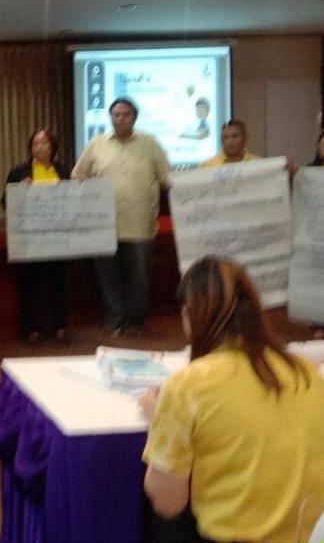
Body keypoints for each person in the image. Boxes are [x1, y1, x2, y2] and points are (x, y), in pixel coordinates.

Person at [140, 256, 324, 542]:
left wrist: (159, 422)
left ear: (188, 314)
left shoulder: (188, 386)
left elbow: (168, 503)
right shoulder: (306, 371)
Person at [72, 97, 170, 334]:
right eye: (116, 115)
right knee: (108, 278)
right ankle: (114, 319)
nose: (120, 119)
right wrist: (82, 182)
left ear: (134, 118)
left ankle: (135, 321)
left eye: (126, 114)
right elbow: (78, 175)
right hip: (104, 226)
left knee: (139, 278)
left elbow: (167, 179)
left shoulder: (150, 144)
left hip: (139, 225)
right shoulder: (97, 144)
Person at [4, 128, 70, 343]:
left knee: (58, 284)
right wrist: (20, 191)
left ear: (53, 147)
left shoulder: (63, 170)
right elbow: (5, 202)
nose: (39, 147)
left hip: (58, 238)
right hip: (30, 239)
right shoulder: (19, 172)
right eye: (35, 143)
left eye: (44, 143)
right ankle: (32, 329)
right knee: (31, 285)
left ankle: (60, 327)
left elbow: (75, 201)